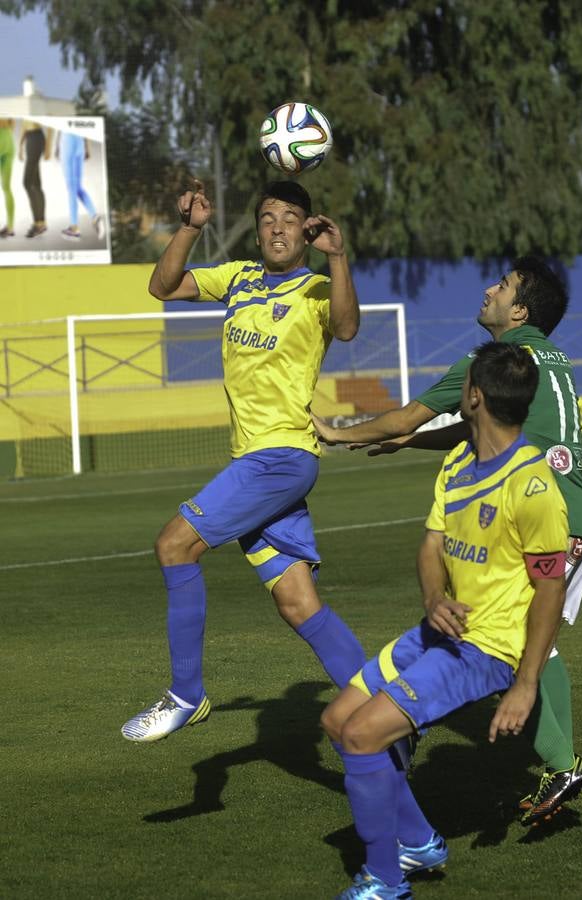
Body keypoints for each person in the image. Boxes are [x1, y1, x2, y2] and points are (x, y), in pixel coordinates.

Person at [313, 257, 582, 825]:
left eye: (504, 285)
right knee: (530, 638)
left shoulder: (491, 360)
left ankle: (557, 761)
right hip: (572, 509)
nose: (490, 289)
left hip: (543, 512)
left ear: (519, 311)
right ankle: (558, 762)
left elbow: (407, 417)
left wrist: (339, 433)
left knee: (515, 639)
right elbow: (477, 426)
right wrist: (413, 443)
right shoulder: (549, 356)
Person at [321, 341, 569, 899]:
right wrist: (434, 597)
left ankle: (385, 882)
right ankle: (416, 842)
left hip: (486, 648)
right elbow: (432, 545)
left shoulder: (532, 484)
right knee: (338, 720)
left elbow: (551, 589)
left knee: (361, 735)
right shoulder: (458, 462)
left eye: (463, 383)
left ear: (474, 396)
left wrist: (525, 683)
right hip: (439, 629)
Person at [121, 179, 366, 742]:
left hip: (280, 457)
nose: (277, 228)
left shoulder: (317, 288)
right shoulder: (238, 277)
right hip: (256, 459)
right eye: (267, 218)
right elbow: (163, 286)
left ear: (307, 231)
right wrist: (190, 228)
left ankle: (186, 695)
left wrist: (338, 258)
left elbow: (348, 327)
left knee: (174, 545)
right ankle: (385, 707)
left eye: (290, 218)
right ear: (257, 232)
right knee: (298, 603)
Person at [55, 130, 105, 240]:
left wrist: (57, 145)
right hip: (80, 142)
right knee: (78, 187)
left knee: (71, 189)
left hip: (68, 140)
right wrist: (87, 146)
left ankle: (74, 228)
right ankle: (95, 216)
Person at [18, 120, 52, 238]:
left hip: (36, 138)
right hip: (29, 139)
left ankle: (39, 223)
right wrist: (20, 145)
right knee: (36, 185)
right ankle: (41, 223)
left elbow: (50, 123)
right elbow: (24, 124)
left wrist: (48, 147)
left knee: (27, 183)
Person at [0, 118, 16, 238]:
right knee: (7, 188)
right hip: (9, 139)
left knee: (6, 188)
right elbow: (13, 122)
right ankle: (10, 227)